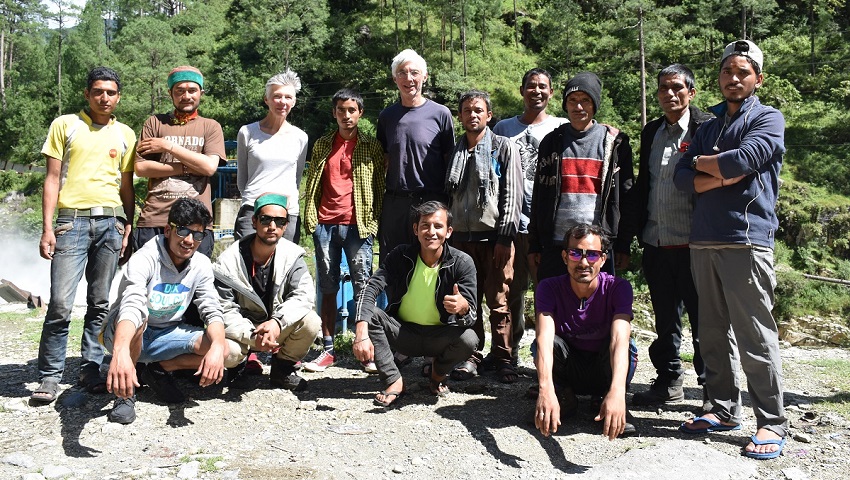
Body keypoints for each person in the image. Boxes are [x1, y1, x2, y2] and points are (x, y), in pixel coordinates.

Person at [674, 40, 788, 460]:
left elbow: (747, 159)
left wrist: (718, 166)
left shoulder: (769, 118)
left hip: (746, 240)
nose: (734, 78)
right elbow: (681, 178)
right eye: (727, 71)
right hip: (703, 239)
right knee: (710, 333)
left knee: (755, 335)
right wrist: (720, 173)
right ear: (719, 78)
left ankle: (772, 422)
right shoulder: (706, 126)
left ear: (758, 78)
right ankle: (722, 409)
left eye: (743, 72)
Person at [31, 66, 136, 404]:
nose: (104, 97)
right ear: (87, 93)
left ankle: (90, 367)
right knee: (60, 303)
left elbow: (126, 186)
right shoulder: (66, 125)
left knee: (100, 302)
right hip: (70, 223)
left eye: (111, 92)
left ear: (118, 97)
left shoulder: (125, 134)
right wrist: (47, 228)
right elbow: (52, 179)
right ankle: (49, 376)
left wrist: (127, 225)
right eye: (98, 91)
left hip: (111, 222)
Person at [619, 64, 711, 406]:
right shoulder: (652, 131)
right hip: (657, 241)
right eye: (663, 89)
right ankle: (669, 382)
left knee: (705, 321)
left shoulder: (706, 128)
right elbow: (644, 186)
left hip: (696, 243)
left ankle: (711, 388)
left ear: (691, 91)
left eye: (676, 88)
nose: (669, 94)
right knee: (666, 320)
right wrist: (629, 236)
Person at [102, 198, 237, 424]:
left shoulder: (201, 264)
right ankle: (124, 394)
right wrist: (120, 352)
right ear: (168, 230)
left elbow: (211, 309)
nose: (188, 240)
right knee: (139, 318)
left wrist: (215, 348)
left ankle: (156, 369)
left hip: (167, 334)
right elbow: (132, 305)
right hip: (127, 331)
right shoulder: (145, 257)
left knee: (224, 349)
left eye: (197, 234)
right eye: (182, 231)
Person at [352, 201, 478, 408]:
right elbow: (371, 287)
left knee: (469, 338)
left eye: (438, 226)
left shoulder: (462, 262)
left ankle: (437, 374)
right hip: (403, 334)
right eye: (425, 225)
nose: (431, 232)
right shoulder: (400, 255)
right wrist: (361, 330)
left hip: (440, 336)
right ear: (415, 229)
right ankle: (393, 380)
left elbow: (471, 316)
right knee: (372, 314)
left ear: (448, 232)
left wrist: (463, 307)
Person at [301, 89, 385, 373]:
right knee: (327, 286)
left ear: (360, 113)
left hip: (358, 226)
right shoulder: (323, 144)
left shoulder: (371, 146)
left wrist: (374, 222)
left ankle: (367, 347)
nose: (346, 115)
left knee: (364, 286)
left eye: (352, 110)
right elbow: (312, 183)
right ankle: (327, 348)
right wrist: (311, 220)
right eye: (341, 110)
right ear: (334, 112)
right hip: (325, 224)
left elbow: (378, 187)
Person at [532, 224, 637, 440]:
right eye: (575, 253)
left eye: (592, 255)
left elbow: (619, 339)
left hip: (603, 366)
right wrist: (545, 389)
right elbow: (543, 337)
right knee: (544, 344)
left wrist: (618, 392)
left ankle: (608, 400)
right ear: (564, 257)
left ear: (603, 259)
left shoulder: (619, 288)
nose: (583, 262)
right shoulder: (548, 287)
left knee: (627, 347)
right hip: (571, 367)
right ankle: (562, 397)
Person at [445, 90, 522, 384]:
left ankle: (504, 358)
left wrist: (506, 237)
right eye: (466, 110)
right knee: (468, 301)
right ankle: (471, 355)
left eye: (478, 110)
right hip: (461, 241)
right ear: (460, 116)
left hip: (495, 238)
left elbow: (512, 195)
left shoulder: (502, 147)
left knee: (499, 301)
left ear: (489, 115)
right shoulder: (456, 150)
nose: (472, 115)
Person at [528, 72, 633, 283]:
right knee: (553, 307)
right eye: (573, 101)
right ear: (565, 104)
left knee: (598, 310)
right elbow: (538, 195)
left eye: (585, 101)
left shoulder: (614, 144)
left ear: (595, 104)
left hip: (597, 248)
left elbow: (627, 196)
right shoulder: (551, 142)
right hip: (556, 244)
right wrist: (535, 243)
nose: (578, 107)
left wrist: (623, 243)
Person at [493, 68, 567, 367]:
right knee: (508, 290)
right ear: (521, 90)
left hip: (546, 227)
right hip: (509, 224)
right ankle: (507, 355)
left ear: (551, 92)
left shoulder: (562, 127)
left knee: (547, 293)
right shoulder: (502, 128)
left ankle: (549, 357)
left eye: (543, 87)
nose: (536, 91)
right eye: (531, 86)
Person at [213, 193, 321, 391]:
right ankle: (238, 368)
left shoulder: (293, 255)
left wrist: (277, 323)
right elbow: (223, 309)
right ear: (254, 221)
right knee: (228, 353)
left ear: (286, 225)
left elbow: (303, 296)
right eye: (266, 219)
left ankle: (282, 370)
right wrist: (252, 335)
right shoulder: (228, 260)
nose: (272, 226)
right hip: (242, 330)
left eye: (279, 221)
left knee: (311, 321)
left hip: (276, 325)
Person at [133, 65, 226, 257]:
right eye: (180, 90)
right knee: (148, 284)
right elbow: (141, 168)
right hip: (155, 219)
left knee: (193, 285)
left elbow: (209, 167)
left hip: (197, 223)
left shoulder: (210, 127)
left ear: (201, 92)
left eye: (192, 90)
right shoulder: (155, 123)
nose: (186, 96)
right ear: (170, 93)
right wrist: (188, 166)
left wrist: (168, 146)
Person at [376, 49, 455, 264]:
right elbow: (383, 160)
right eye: (402, 72)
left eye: (414, 72)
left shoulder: (441, 114)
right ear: (394, 78)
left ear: (425, 77)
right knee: (393, 266)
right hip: (395, 203)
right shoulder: (387, 116)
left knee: (432, 265)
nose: (408, 78)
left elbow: (451, 162)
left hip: (431, 201)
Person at [234, 70, 308, 242]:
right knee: (246, 264)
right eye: (277, 96)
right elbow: (242, 179)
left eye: (288, 97)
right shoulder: (247, 132)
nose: (282, 102)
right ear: (266, 99)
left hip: (287, 213)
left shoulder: (300, 137)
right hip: (253, 209)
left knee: (284, 266)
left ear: (294, 101)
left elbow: (296, 179)